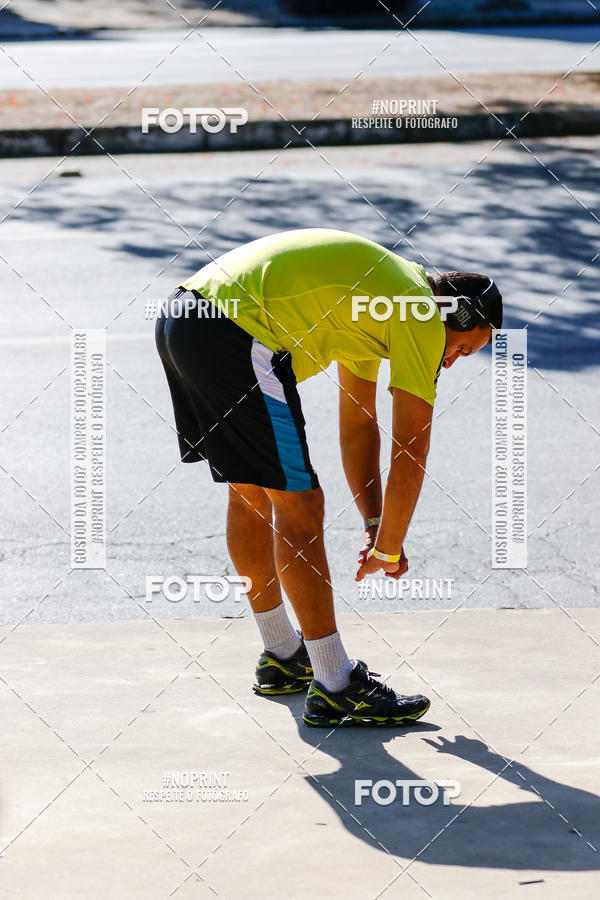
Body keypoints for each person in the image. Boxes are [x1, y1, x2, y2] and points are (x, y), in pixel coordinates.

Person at [155, 228, 503, 727]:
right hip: (233, 333)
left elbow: (359, 429)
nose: (452, 361)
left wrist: (375, 523)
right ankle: (336, 683)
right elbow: (412, 448)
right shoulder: (423, 315)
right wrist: (390, 547)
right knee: (301, 505)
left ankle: (283, 656)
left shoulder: (385, 309)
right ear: (458, 315)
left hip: (186, 318)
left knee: (252, 493)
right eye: (464, 349)